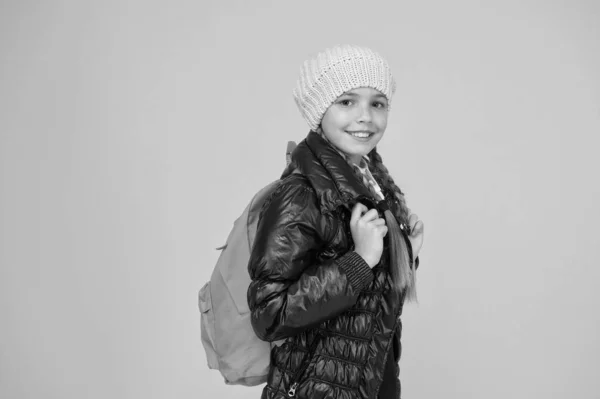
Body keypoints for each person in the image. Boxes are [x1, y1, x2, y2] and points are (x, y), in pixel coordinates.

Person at [247, 44, 425, 399]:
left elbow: (366, 314)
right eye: (347, 101)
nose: (366, 117)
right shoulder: (300, 195)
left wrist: (404, 253)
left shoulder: (372, 184)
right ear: (319, 110)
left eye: (377, 103)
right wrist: (358, 262)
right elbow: (269, 313)